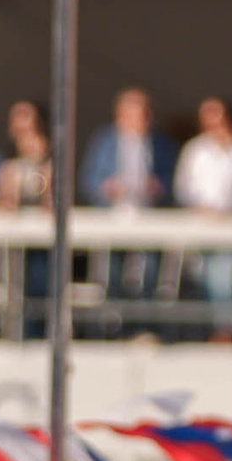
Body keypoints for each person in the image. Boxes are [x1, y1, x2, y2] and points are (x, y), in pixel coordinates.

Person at [175, 97, 232, 343]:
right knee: (204, 277)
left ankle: (226, 330)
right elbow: (184, 188)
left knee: (225, 275)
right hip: (202, 226)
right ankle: (215, 329)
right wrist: (202, 208)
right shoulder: (195, 150)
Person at [81, 87, 175, 319]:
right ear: (120, 116)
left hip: (149, 218)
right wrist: (109, 188)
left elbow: (174, 181)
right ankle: (112, 324)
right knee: (111, 274)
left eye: (145, 114)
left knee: (151, 274)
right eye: (135, 114)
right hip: (114, 218)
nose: (141, 120)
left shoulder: (162, 143)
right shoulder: (105, 142)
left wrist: (158, 186)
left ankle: (146, 324)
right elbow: (90, 180)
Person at [0, 98, 53, 342]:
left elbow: (50, 199)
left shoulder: (50, 157)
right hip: (14, 240)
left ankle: (37, 333)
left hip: (42, 241)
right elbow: (4, 200)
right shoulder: (8, 161)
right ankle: (13, 333)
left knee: (40, 284)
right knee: (12, 286)